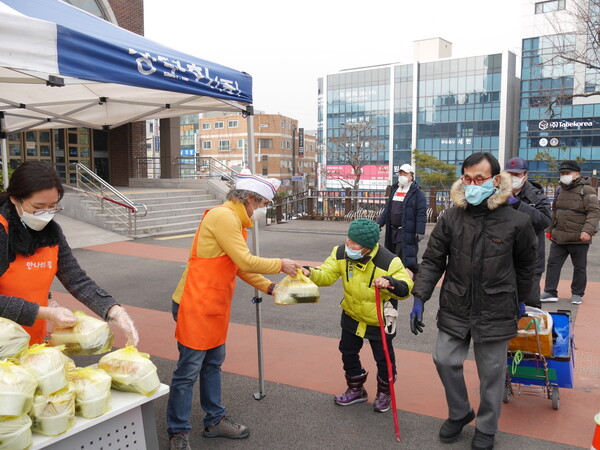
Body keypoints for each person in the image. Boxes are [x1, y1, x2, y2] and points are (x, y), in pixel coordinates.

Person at [409, 152, 537, 450]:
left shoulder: (517, 221)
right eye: (467, 178)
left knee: (491, 373)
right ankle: (460, 412)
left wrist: (524, 301)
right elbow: (432, 260)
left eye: (479, 179)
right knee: (444, 358)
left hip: (497, 306)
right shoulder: (452, 217)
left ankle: (487, 426)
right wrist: (420, 297)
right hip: (457, 301)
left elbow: (527, 266)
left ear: (495, 180)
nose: (472, 184)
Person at [167, 169, 301, 450]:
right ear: (250, 198)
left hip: (211, 305)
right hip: (194, 303)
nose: (262, 211)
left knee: (213, 365)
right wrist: (281, 264)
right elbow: (245, 260)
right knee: (188, 371)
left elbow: (237, 266)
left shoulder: (234, 221)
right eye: (263, 205)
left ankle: (215, 419)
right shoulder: (224, 216)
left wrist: (270, 287)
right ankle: (178, 432)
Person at [0, 161, 138, 346]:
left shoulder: (52, 232)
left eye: (53, 206)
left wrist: (112, 309)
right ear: (15, 199)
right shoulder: (2, 231)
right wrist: (43, 312)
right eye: (39, 207)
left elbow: (76, 279)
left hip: (29, 342)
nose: (46, 214)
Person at [301, 218, 413, 414]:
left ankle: (385, 392)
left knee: (384, 358)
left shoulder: (389, 261)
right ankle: (356, 388)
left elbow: (405, 289)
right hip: (352, 313)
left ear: (368, 247)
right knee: (347, 350)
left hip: (379, 318)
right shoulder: (341, 253)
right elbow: (326, 274)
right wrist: (309, 273)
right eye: (348, 239)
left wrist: (390, 281)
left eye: (354, 242)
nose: (348, 244)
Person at [540, 160, 600, 305]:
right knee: (553, 264)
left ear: (577, 174)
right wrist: (549, 230)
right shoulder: (560, 190)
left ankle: (577, 293)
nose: (564, 176)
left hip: (579, 237)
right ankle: (550, 291)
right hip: (559, 236)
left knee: (579, 267)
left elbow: (594, 211)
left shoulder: (587, 190)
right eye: (562, 173)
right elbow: (555, 211)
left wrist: (588, 230)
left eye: (567, 173)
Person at [504, 157, 552, 308]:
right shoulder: (496, 194)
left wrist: (517, 203)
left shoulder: (537, 196)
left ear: (525, 175)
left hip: (531, 259)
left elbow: (544, 221)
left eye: (516, 174)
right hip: (502, 258)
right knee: (503, 300)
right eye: (509, 174)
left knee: (530, 301)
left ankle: (532, 329)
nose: (512, 178)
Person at [378, 164, 427, 275]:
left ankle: (410, 278)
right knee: (391, 256)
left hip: (406, 231)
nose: (402, 176)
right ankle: (394, 278)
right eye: (400, 173)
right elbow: (387, 210)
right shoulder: (395, 189)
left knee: (404, 258)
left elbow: (421, 213)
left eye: (405, 173)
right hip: (392, 230)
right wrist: (379, 224)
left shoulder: (417, 193)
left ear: (411, 176)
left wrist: (420, 230)